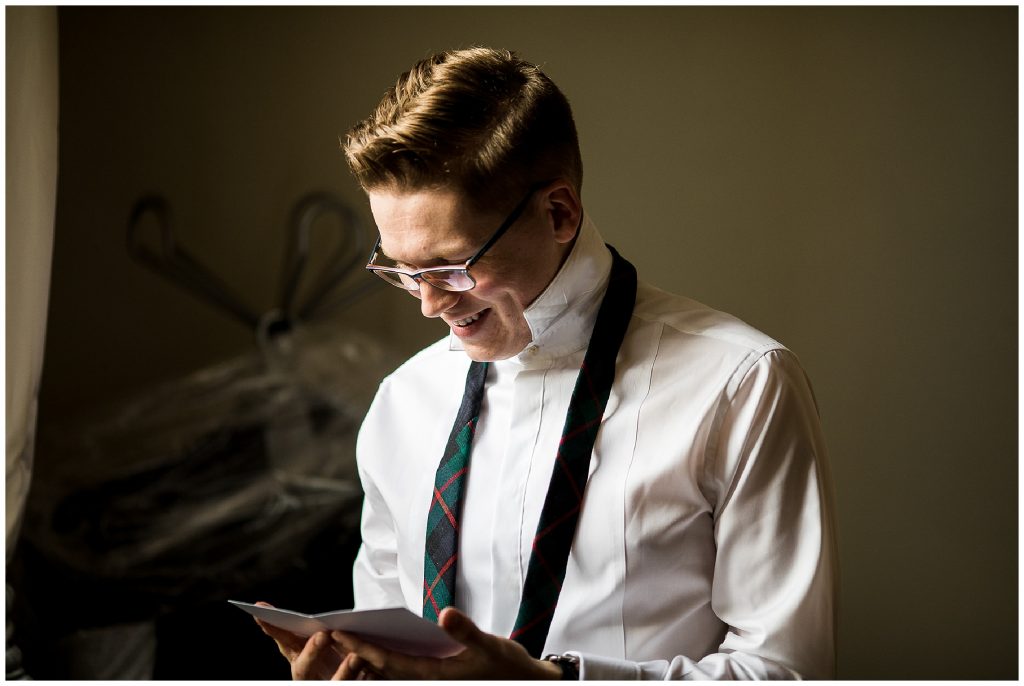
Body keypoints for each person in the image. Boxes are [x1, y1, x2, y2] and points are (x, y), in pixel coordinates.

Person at [255, 46, 838, 680]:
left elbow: (786, 671)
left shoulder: (740, 384)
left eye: (451, 267)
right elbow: (393, 639)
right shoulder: (405, 400)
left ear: (559, 213)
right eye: (401, 271)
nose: (428, 304)